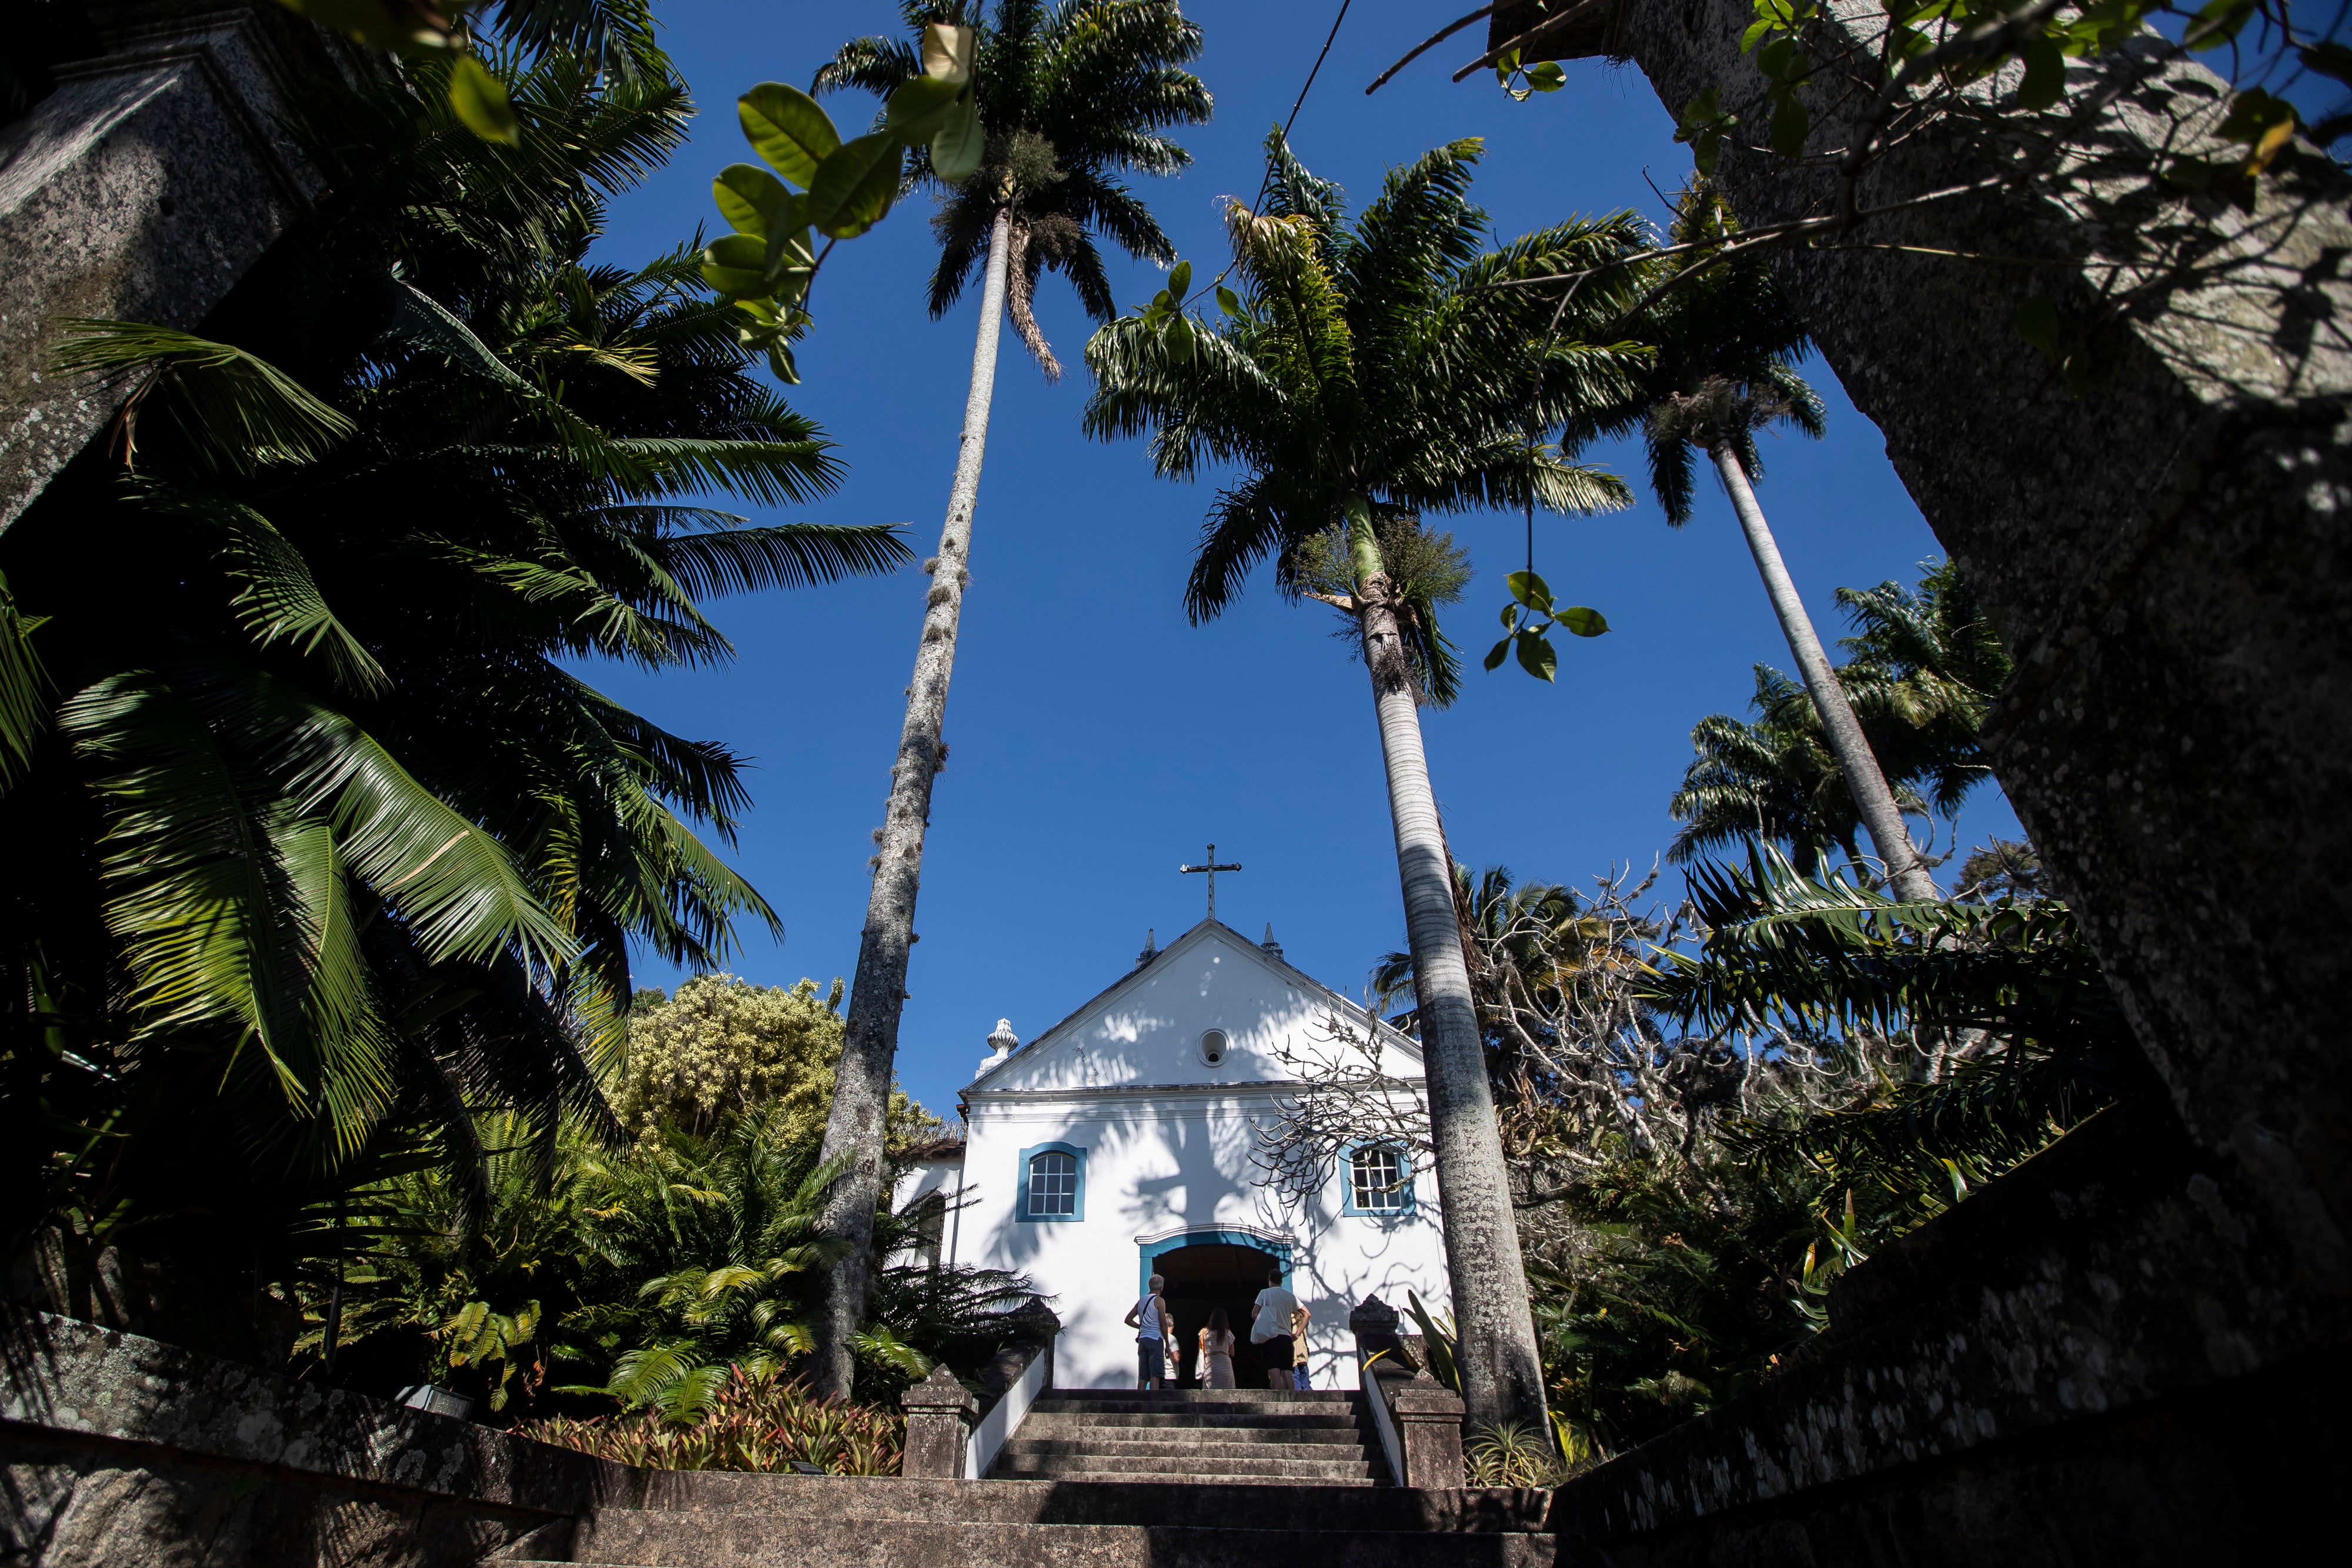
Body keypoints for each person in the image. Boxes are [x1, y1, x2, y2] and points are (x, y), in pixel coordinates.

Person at [1249, 1266, 1299, 1390]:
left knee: (1275, 1373)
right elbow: (1306, 1314)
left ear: (1269, 1279)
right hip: (1287, 1338)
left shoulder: (1265, 1293)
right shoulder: (1290, 1296)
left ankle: (1277, 1401)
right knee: (1288, 1372)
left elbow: (1254, 1314)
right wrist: (1297, 1333)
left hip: (1272, 1337)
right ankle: (1293, 1400)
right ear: (1281, 1281)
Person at [1123, 1272, 1174, 1390]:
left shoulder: (1141, 1301)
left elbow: (1128, 1320)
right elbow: (1163, 1324)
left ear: (1150, 1287)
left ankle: (1139, 1402)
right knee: (1155, 1375)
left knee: (1143, 1377)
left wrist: (1140, 1327)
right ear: (1161, 1287)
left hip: (1143, 1341)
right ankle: (1153, 1402)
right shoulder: (1159, 1301)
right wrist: (1167, 1343)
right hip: (1155, 1339)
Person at [1198, 1306, 1237, 1389]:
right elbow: (1232, 1353)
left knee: (1210, 1394)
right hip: (1225, 1366)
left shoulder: (1203, 1333)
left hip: (1210, 1366)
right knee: (1227, 1394)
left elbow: (1201, 1350)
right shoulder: (1228, 1333)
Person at [1289, 1303, 1312, 1390]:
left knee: (1296, 1376)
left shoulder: (1290, 1318)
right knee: (1304, 1376)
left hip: (1294, 1351)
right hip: (1302, 1351)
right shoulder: (1303, 1319)